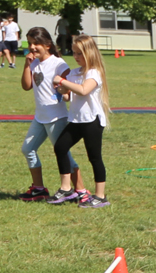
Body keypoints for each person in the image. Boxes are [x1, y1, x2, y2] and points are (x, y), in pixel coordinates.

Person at [48, 34, 112, 208]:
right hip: (76, 120)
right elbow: (69, 95)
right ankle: (66, 188)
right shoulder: (75, 72)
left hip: (92, 120)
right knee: (60, 147)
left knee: (94, 157)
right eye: (74, 53)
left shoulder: (94, 72)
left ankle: (100, 196)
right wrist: (61, 89)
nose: (75, 57)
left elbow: (84, 90)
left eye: (79, 53)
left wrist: (62, 81)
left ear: (89, 53)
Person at [16, 26, 68, 202]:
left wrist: (62, 88)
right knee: (28, 149)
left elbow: (68, 88)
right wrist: (26, 65)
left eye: (36, 43)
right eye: (30, 43)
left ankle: (79, 190)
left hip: (56, 117)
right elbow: (26, 86)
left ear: (47, 44)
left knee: (63, 154)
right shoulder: (34, 63)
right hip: (40, 117)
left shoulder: (58, 64)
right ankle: (38, 189)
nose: (32, 47)